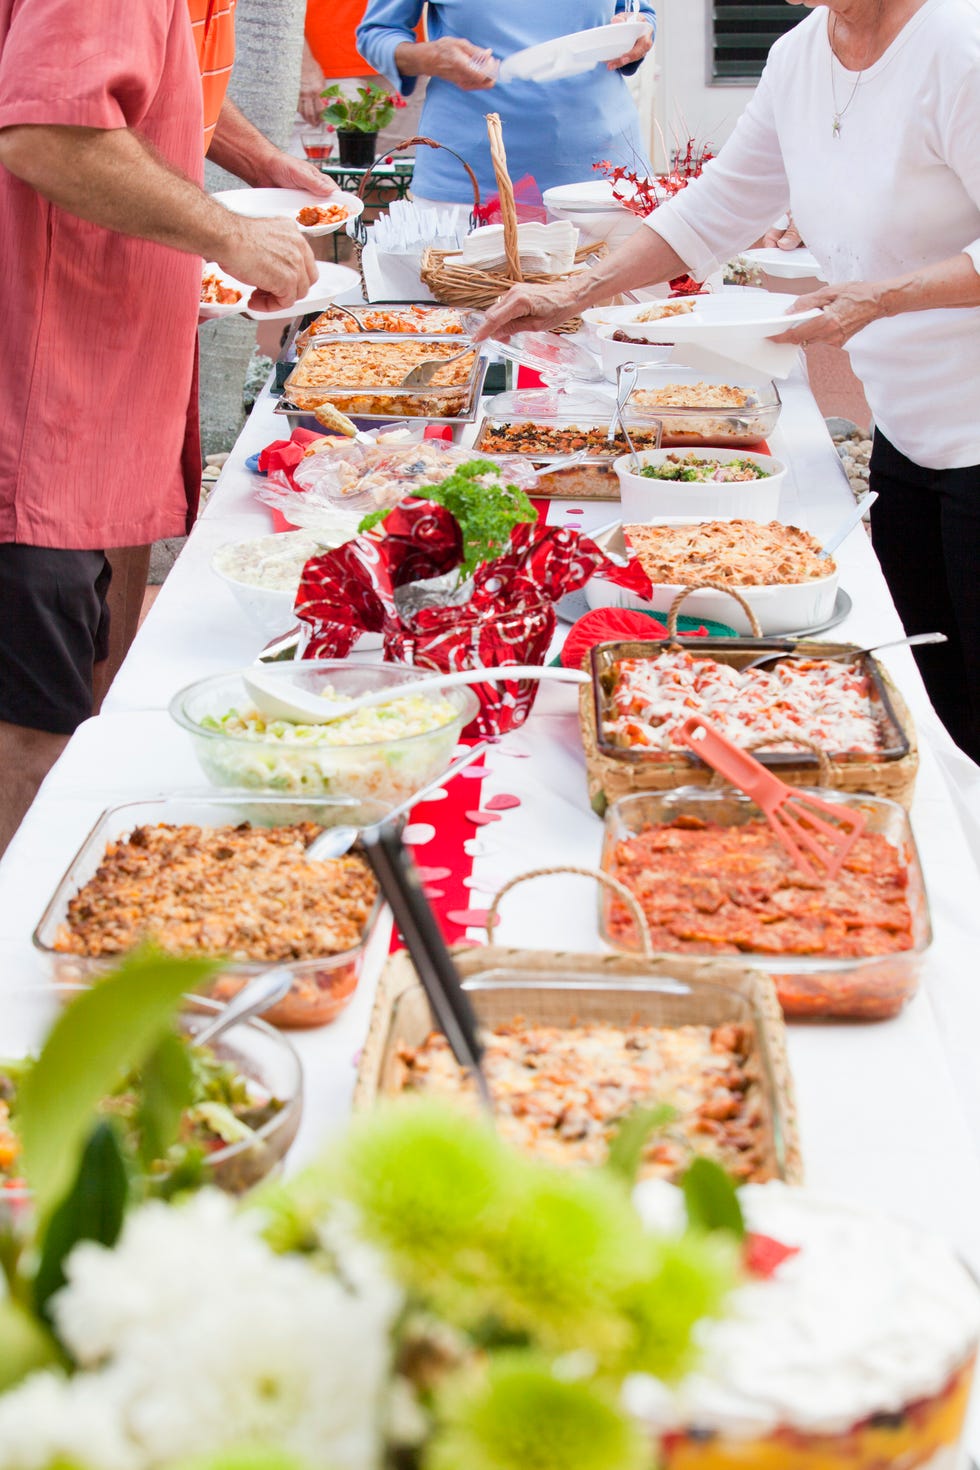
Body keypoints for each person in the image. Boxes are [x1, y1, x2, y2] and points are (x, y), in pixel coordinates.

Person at [476, 0, 980, 762]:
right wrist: (574, 291)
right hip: (909, 427)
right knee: (936, 697)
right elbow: (713, 209)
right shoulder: (801, 55)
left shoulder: (956, 44)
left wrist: (880, 296)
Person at [0, 0, 337, 855]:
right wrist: (228, 232)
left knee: (78, 693)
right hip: (47, 408)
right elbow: (46, 130)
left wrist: (260, 161)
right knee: (35, 731)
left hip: (95, 395)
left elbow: (149, 92)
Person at [356, 0, 655, 204]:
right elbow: (376, 33)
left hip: (605, 178)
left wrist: (639, 32)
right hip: (469, 184)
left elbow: (636, 11)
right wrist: (431, 58)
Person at [299, 0, 426, 151]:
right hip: (327, 63)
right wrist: (303, 63)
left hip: (402, 57)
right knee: (326, 172)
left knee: (399, 169)